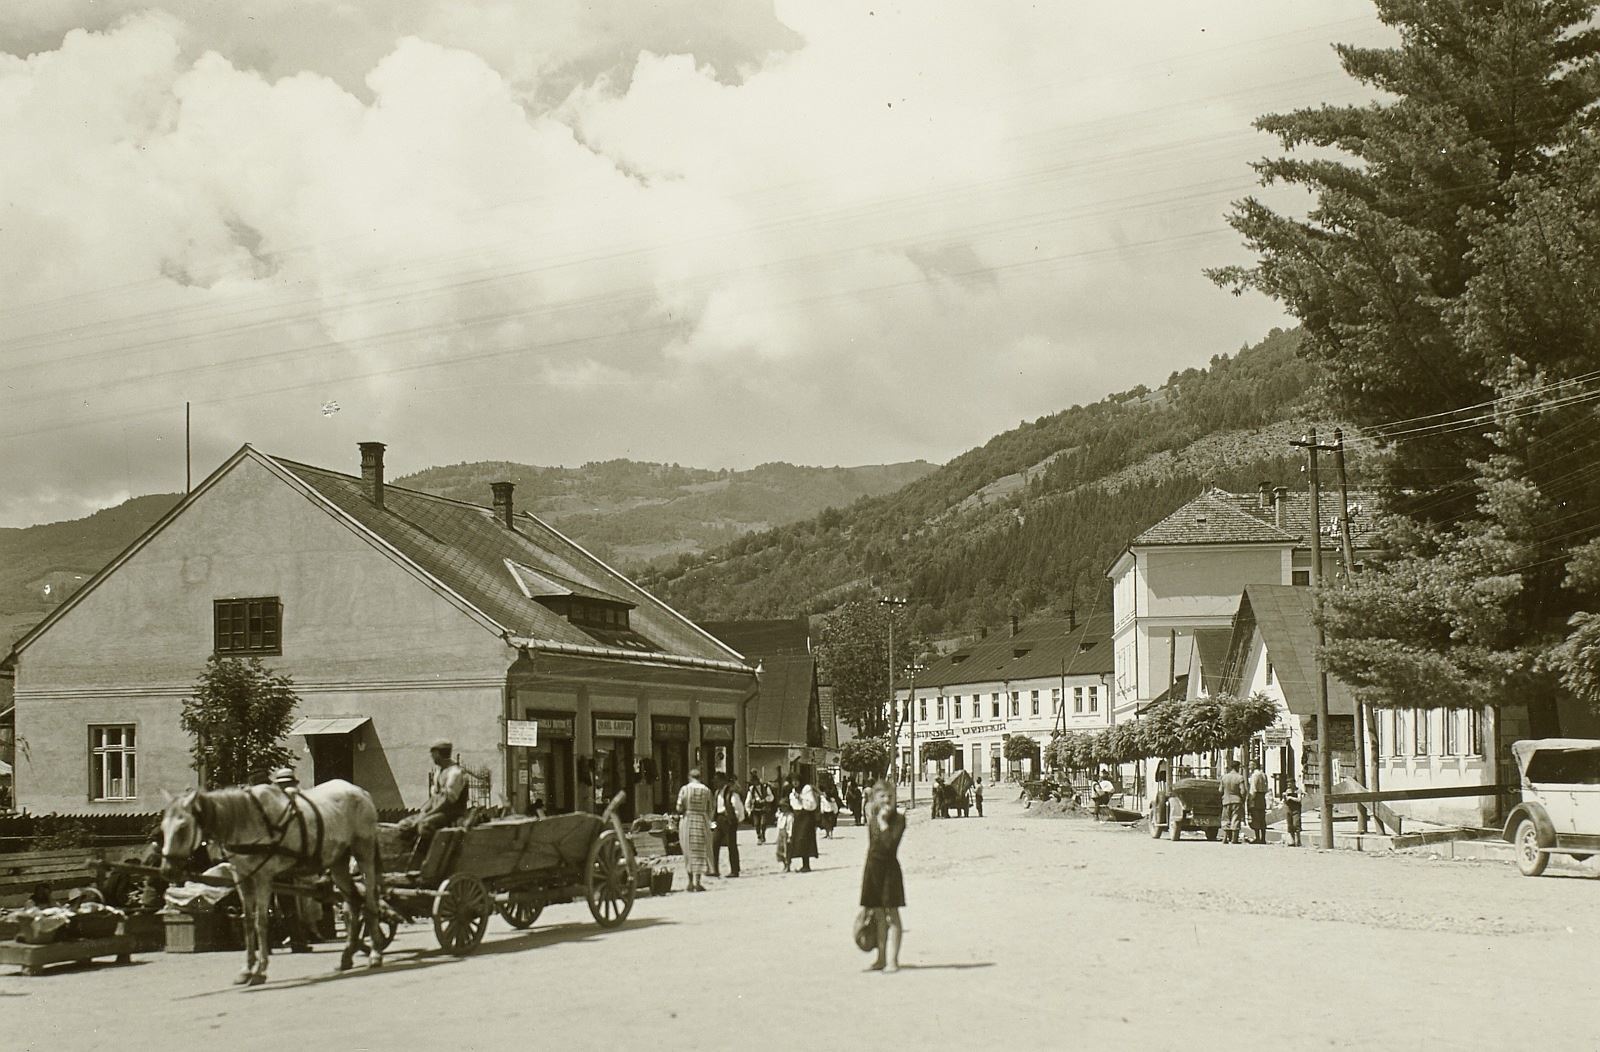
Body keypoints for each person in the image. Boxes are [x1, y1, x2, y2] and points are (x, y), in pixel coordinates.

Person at [397, 740, 470, 868]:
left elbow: (447, 801)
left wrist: (426, 816)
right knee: (404, 824)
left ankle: (427, 862)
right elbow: (434, 798)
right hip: (438, 811)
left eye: (433, 754)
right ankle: (406, 858)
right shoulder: (439, 772)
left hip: (452, 814)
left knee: (425, 825)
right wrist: (422, 813)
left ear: (438, 754)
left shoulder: (455, 773)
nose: (431, 757)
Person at [859, 780, 905, 973]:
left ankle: (893, 961)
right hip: (873, 870)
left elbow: (890, 845)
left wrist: (885, 824)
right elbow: (872, 847)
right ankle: (881, 958)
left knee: (892, 915)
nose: (887, 800)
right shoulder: (873, 819)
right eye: (882, 796)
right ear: (875, 799)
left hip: (889, 872)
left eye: (890, 796)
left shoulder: (899, 820)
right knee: (878, 915)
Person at [675, 767, 714, 892]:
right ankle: (698, 882)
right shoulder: (706, 790)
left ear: (689, 777)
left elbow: (679, 807)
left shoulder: (685, 789)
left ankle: (690, 882)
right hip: (702, 821)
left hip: (688, 820)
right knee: (700, 851)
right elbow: (710, 809)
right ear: (700, 777)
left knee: (688, 851)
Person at [712, 775, 744, 878]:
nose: (716, 783)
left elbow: (738, 807)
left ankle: (735, 870)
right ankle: (714, 869)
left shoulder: (731, 793)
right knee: (714, 843)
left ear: (723, 781)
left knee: (731, 845)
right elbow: (715, 807)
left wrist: (737, 820)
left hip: (728, 820)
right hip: (719, 819)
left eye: (717, 781)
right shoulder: (717, 793)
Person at [788, 779, 820, 873]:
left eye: (797, 781)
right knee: (798, 840)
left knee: (805, 839)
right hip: (797, 817)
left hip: (806, 817)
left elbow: (812, 805)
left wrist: (801, 799)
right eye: (793, 781)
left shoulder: (806, 789)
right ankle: (803, 864)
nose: (795, 783)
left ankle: (806, 865)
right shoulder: (792, 792)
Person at [1219, 759, 1246, 845]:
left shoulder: (1224, 777)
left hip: (1226, 800)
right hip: (1236, 800)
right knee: (1235, 819)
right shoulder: (1240, 777)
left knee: (1226, 819)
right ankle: (1234, 839)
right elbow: (1243, 791)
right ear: (1238, 767)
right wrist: (1243, 799)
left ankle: (1225, 838)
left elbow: (1220, 790)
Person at [746, 774, 774, 845]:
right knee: (756, 824)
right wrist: (748, 810)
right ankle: (759, 836)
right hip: (755, 808)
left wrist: (765, 799)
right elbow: (748, 800)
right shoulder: (751, 789)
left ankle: (763, 835)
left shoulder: (765, 787)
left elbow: (771, 797)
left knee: (763, 823)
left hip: (764, 807)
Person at [775, 778, 794, 871]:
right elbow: (778, 820)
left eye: (784, 807)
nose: (783, 808)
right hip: (780, 833)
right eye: (781, 807)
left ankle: (788, 865)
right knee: (779, 850)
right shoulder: (780, 815)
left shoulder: (790, 816)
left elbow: (790, 826)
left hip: (786, 834)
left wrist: (790, 836)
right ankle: (783, 864)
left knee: (787, 851)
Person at [1247, 766, 1270, 844]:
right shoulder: (1264, 774)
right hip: (1262, 797)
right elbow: (1266, 787)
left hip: (1256, 798)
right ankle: (1263, 838)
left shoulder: (1254, 775)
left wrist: (1250, 799)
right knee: (1262, 818)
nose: (1249, 767)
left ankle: (1257, 838)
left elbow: (1253, 788)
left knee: (1255, 818)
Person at [1281, 782, 1303, 848]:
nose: (1289, 786)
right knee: (1290, 826)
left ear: (1294, 783)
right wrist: (1284, 797)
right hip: (1289, 809)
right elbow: (1284, 801)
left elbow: (1299, 799)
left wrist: (1291, 797)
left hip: (1296, 809)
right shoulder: (1287, 791)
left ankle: (1298, 841)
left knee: (1296, 825)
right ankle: (1292, 841)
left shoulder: (1298, 790)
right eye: (1288, 785)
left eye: (1290, 784)